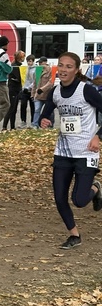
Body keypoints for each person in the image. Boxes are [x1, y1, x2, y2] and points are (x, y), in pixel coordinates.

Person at [37, 51, 102, 249]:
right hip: (63, 152)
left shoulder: (86, 91)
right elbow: (45, 113)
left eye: (69, 66)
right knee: (59, 197)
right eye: (61, 65)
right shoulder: (55, 92)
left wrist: (98, 136)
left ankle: (96, 188)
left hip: (86, 151)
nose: (63, 70)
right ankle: (74, 235)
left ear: (76, 70)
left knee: (79, 200)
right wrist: (43, 120)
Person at [2, 50, 25, 131]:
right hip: (13, 89)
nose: (24, 58)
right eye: (23, 57)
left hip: (17, 89)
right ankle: (4, 126)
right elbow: (18, 78)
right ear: (19, 58)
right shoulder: (15, 66)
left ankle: (12, 126)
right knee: (11, 108)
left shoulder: (18, 66)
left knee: (14, 109)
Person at [32, 57, 54, 127]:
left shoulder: (51, 70)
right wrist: (32, 94)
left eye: (41, 62)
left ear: (45, 62)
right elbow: (35, 83)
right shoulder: (38, 70)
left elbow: (51, 82)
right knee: (37, 110)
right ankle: (35, 125)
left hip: (48, 95)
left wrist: (42, 89)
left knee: (50, 111)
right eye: (39, 62)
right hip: (38, 95)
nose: (40, 64)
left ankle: (51, 125)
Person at [20, 54, 36, 128]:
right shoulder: (26, 68)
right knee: (23, 105)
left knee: (33, 107)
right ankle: (23, 121)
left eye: (30, 61)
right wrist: (24, 87)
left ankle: (33, 122)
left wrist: (29, 87)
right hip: (25, 90)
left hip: (32, 90)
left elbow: (35, 80)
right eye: (28, 61)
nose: (29, 63)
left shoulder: (35, 69)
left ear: (33, 61)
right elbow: (25, 79)